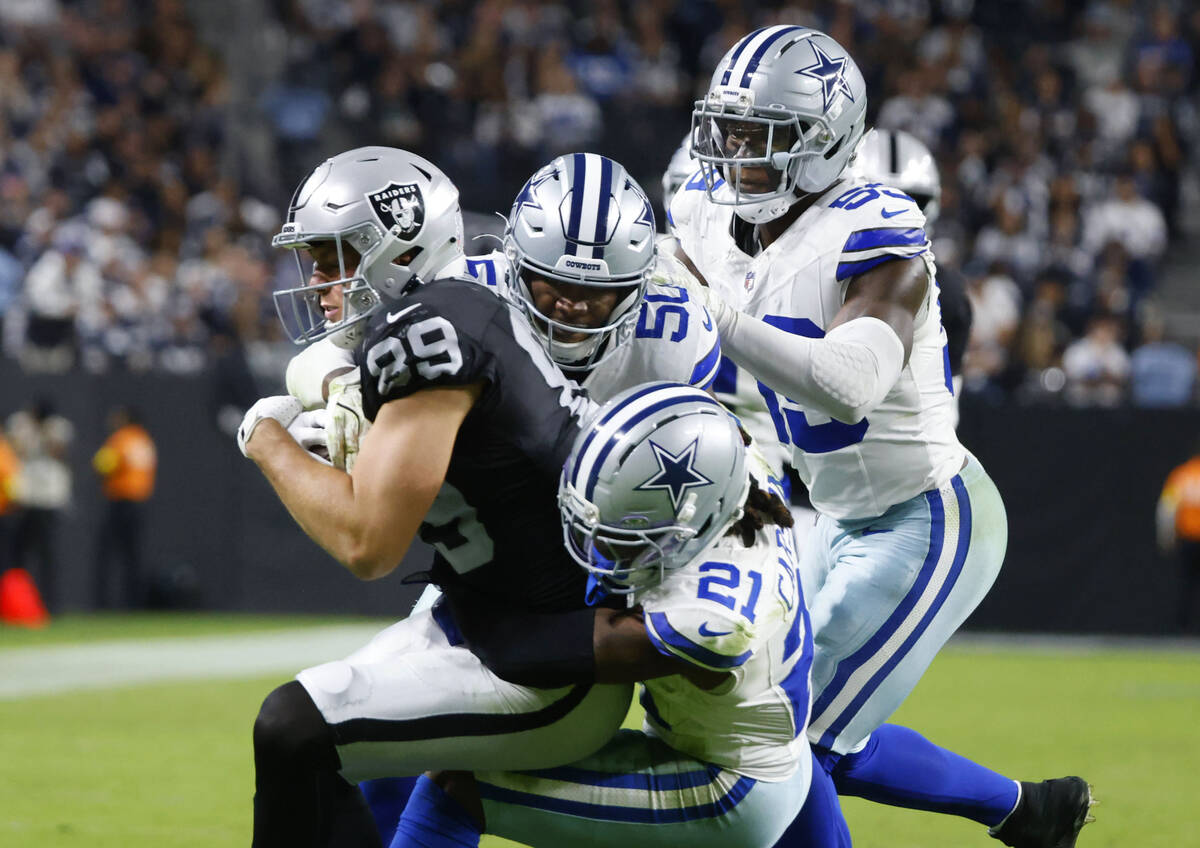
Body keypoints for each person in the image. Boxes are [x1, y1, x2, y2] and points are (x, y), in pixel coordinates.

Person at [670, 26, 1092, 847]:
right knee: (777, 725)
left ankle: (1026, 812)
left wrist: (717, 315)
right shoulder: (708, 217)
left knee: (786, 742)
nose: (736, 156)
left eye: (762, 138)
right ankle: (1030, 812)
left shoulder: (875, 227)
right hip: (825, 518)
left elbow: (849, 385)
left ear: (824, 142)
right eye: (729, 131)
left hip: (925, 517)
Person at [241, 146, 658, 847]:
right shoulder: (454, 311)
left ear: (396, 253)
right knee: (309, 741)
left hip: (549, 664)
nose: (316, 283)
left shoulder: (431, 333)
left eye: (332, 257)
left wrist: (266, 439)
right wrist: (341, 392)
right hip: (495, 619)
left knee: (294, 729)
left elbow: (367, 545)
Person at [390, 382, 846, 848]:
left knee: (456, 784)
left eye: (628, 535)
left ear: (690, 524)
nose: (598, 549)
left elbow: (525, 656)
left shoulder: (711, 616)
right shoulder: (733, 475)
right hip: (761, 749)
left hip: (727, 785)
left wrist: (467, 581)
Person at [851, 128, 972, 428]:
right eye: (879, 197)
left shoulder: (949, 294)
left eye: (907, 201)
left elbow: (942, 413)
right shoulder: (809, 263)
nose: (891, 215)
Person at [6, 399, 73, 613]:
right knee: (18, 555)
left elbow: (58, 451)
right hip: (24, 498)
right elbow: (15, 449)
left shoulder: (58, 428)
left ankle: (49, 605)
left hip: (48, 499)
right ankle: (16, 603)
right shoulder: (21, 424)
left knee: (47, 555)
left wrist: (44, 434)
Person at [92, 405, 157, 609]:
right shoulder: (145, 440)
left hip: (121, 501)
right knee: (133, 555)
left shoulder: (122, 438)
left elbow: (103, 464)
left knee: (106, 552)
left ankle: (102, 603)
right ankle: (133, 603)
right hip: (140, 502)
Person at [1157, 442, 1200, 632]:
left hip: (1187, 539)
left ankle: (1184, 630)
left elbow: (1166, 509)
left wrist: (1166, 535)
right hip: (1191, 538)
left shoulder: (1181, 475)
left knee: (1186, 584)